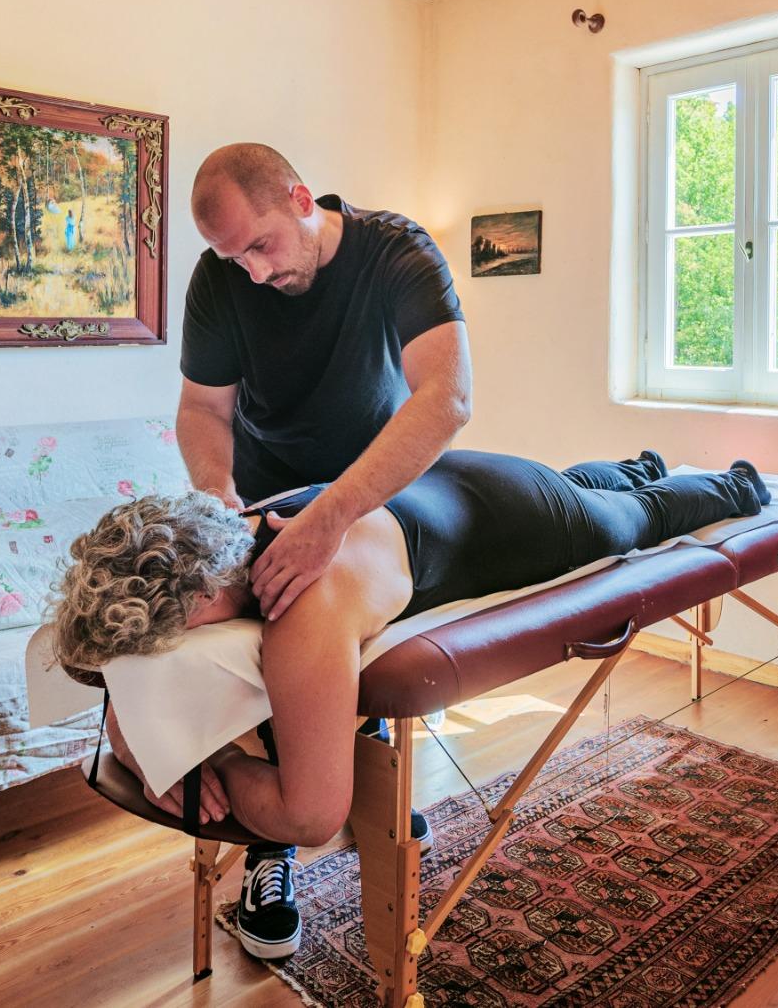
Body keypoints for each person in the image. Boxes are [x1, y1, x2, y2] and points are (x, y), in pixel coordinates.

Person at [52, 449, 774, 957]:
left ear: (205, 597)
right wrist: (139, 746)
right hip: (454, 481)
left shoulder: (305, 610)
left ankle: (735, 483)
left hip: (516, 517)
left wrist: (215, 772)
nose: (168, 657)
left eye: (168, 642)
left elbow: (311, 816)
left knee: (634, 518)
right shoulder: (227, 530)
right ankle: (634, 464)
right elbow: (117, 676)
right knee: (582, 488)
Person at [173, 142, 471, 955]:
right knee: (276, 640)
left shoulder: (395, 250)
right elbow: (203, 409)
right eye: (234, 258)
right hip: (268, 493)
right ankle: (275, 848)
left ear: (302, 200)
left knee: (336, 648)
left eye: (261, 246)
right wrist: (214, 491)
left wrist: (334, 515)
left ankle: (367, 793)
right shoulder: (221, 280)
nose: (254, 272)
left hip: (374, 496)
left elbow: (447, 397)